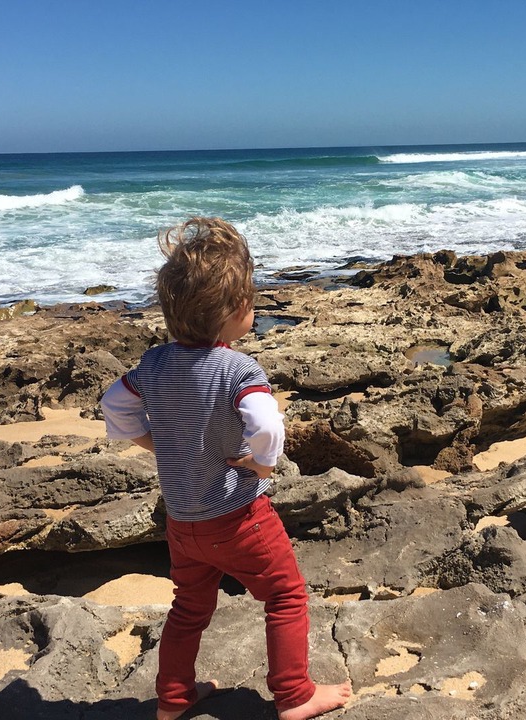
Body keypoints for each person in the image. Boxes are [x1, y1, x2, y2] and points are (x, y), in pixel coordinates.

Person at [101, 218, 352, 720]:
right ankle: (295, 694)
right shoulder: (239, 369)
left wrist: (152, 442)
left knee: (189, 608)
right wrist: (263, 463)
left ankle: (173, 700)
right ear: (240, 311)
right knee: (285, 597)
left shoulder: (153, 364)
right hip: (239, 518)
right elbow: (265, 421)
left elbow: (114, 403)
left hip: (182, 524)